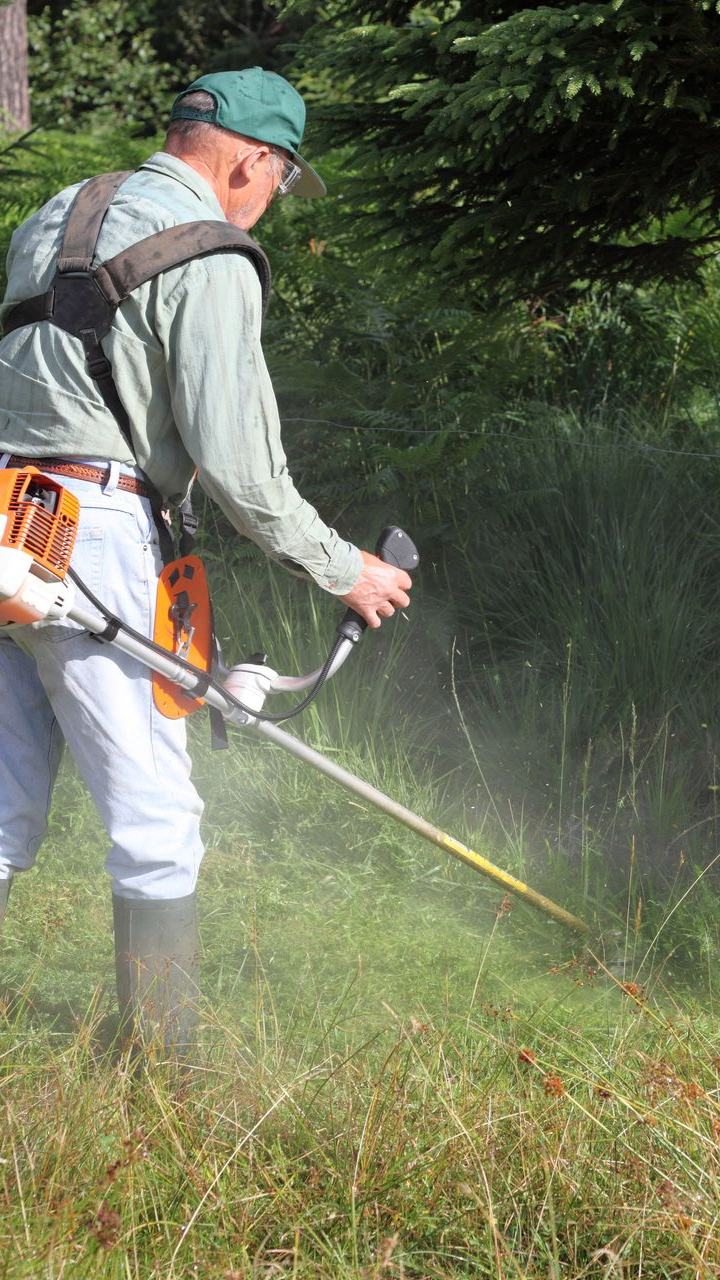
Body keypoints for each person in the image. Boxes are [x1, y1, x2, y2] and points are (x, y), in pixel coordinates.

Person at [0, 67, 412, 1058]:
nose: (272, 199)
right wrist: (345, 569)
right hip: (91, 527)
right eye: (281, 179)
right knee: (155, 817)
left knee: (1, 799)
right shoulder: (210, 250)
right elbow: (242, 466)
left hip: (9, 508)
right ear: (251, 161)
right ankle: (161, 1079)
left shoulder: (58, 212)